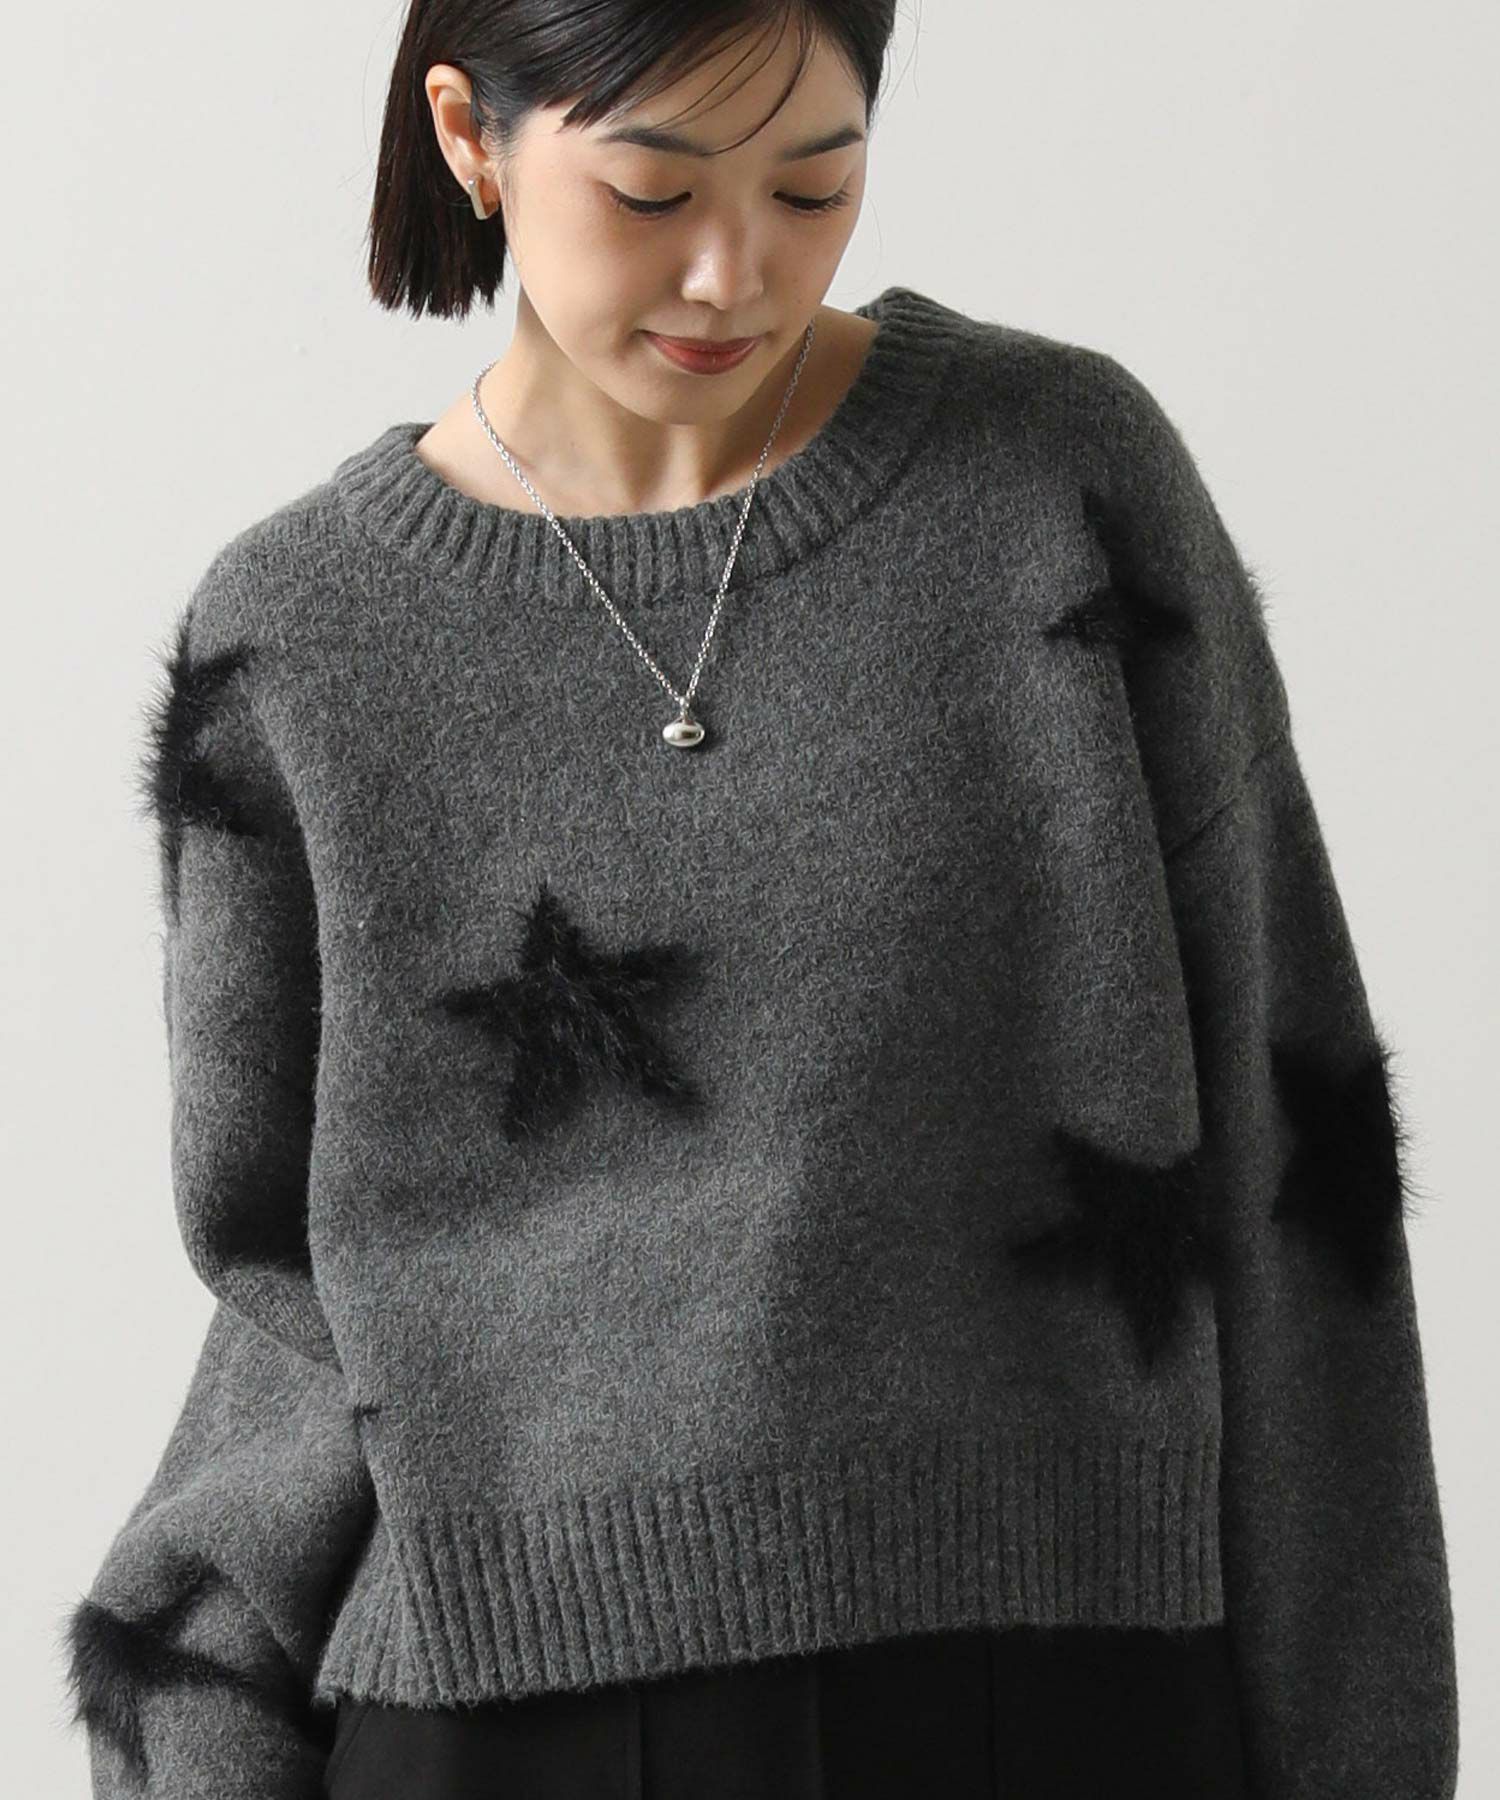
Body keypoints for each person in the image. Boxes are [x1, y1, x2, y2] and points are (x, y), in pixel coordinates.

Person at [62, 3, 1459, 1797]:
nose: (734, 274)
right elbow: (280, 1311)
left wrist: (1367, 1756)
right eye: (651, 193)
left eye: (813, 187)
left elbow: (1299, 1164)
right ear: (471, 138)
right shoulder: (296, 642)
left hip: (1057, 1704)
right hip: (503, 1735)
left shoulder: (1060, 486)